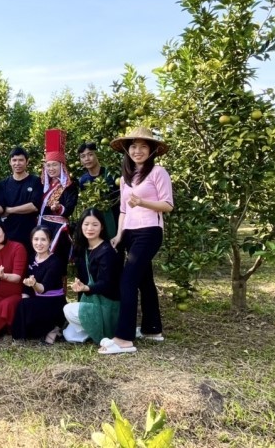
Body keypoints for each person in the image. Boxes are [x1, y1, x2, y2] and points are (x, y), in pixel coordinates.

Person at [99, 127, 173, 355]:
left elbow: (167, 205)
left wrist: (142, 202)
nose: (137, 151)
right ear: (127, 150)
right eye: (133, 146)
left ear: (151, 151)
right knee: (144, 280)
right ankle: (152, 329)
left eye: (143, 146)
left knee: (127, 281)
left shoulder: (158, 172)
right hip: (130, 233)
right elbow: (123, 210)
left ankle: (124, 339)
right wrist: (119, 234)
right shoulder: (125, 179)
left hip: (149, 231)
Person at [63, 208, 122, 344]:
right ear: (81, 226)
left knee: (68, 309)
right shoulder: (82, 249)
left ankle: (102, 329)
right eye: (86, 224)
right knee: (69, 336)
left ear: (102, 227)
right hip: (91, 302)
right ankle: (91, 330)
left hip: (106, 305)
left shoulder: (107, 251)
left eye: (95, 224)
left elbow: (108, 284)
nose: (90, 228)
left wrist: (87, 288)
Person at [11, 227, 66, 344]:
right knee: (22, 304)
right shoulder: (32, 258)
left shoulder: (55, 262)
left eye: (43, 240)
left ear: (50, 242)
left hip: (53, 302)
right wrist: (25, 301)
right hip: (37, 299)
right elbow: (26, 283)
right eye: (36, 239)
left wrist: (34, 284)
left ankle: (55, 327)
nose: (39, 243)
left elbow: (42, 289)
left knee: (24, 305)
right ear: (31, 240)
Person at [38, 129, 79, 272]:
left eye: (54, 165)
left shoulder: (69, 186)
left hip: (59, 232)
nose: (51, 168)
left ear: (61, 166)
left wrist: (59, 207)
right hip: (41, 230)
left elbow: (69, 207)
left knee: (57, 266)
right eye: (48, 165)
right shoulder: (42, 185)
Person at [0, 147, 43, 256]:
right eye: (14, 160)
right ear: (10, 162)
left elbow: (34, 206)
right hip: (8, 233)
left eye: (21, 160)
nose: (17, 163)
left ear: (27, 162)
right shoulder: (3, 184)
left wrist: (10, 210)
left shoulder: (36, 181)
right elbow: (1, 206)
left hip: (29, 233)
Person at [77, 142, 120, 238]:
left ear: (97, 155)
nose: (87, 159)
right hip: (96, 223)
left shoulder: (111, 174)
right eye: (83, 156)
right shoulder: (83, 180)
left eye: (90, 154)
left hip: (115, 220)